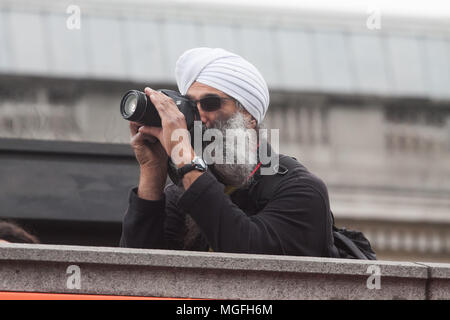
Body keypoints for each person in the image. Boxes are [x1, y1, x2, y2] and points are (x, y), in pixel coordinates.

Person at [120, 47, 339, 257]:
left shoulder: (301, 190)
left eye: (210, 103)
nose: (199, 117)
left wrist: (186, 160)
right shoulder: (182, 192)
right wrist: (152, 170)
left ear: (249, 117)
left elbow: (252, 262)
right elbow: (137, 270)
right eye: (191, 105)